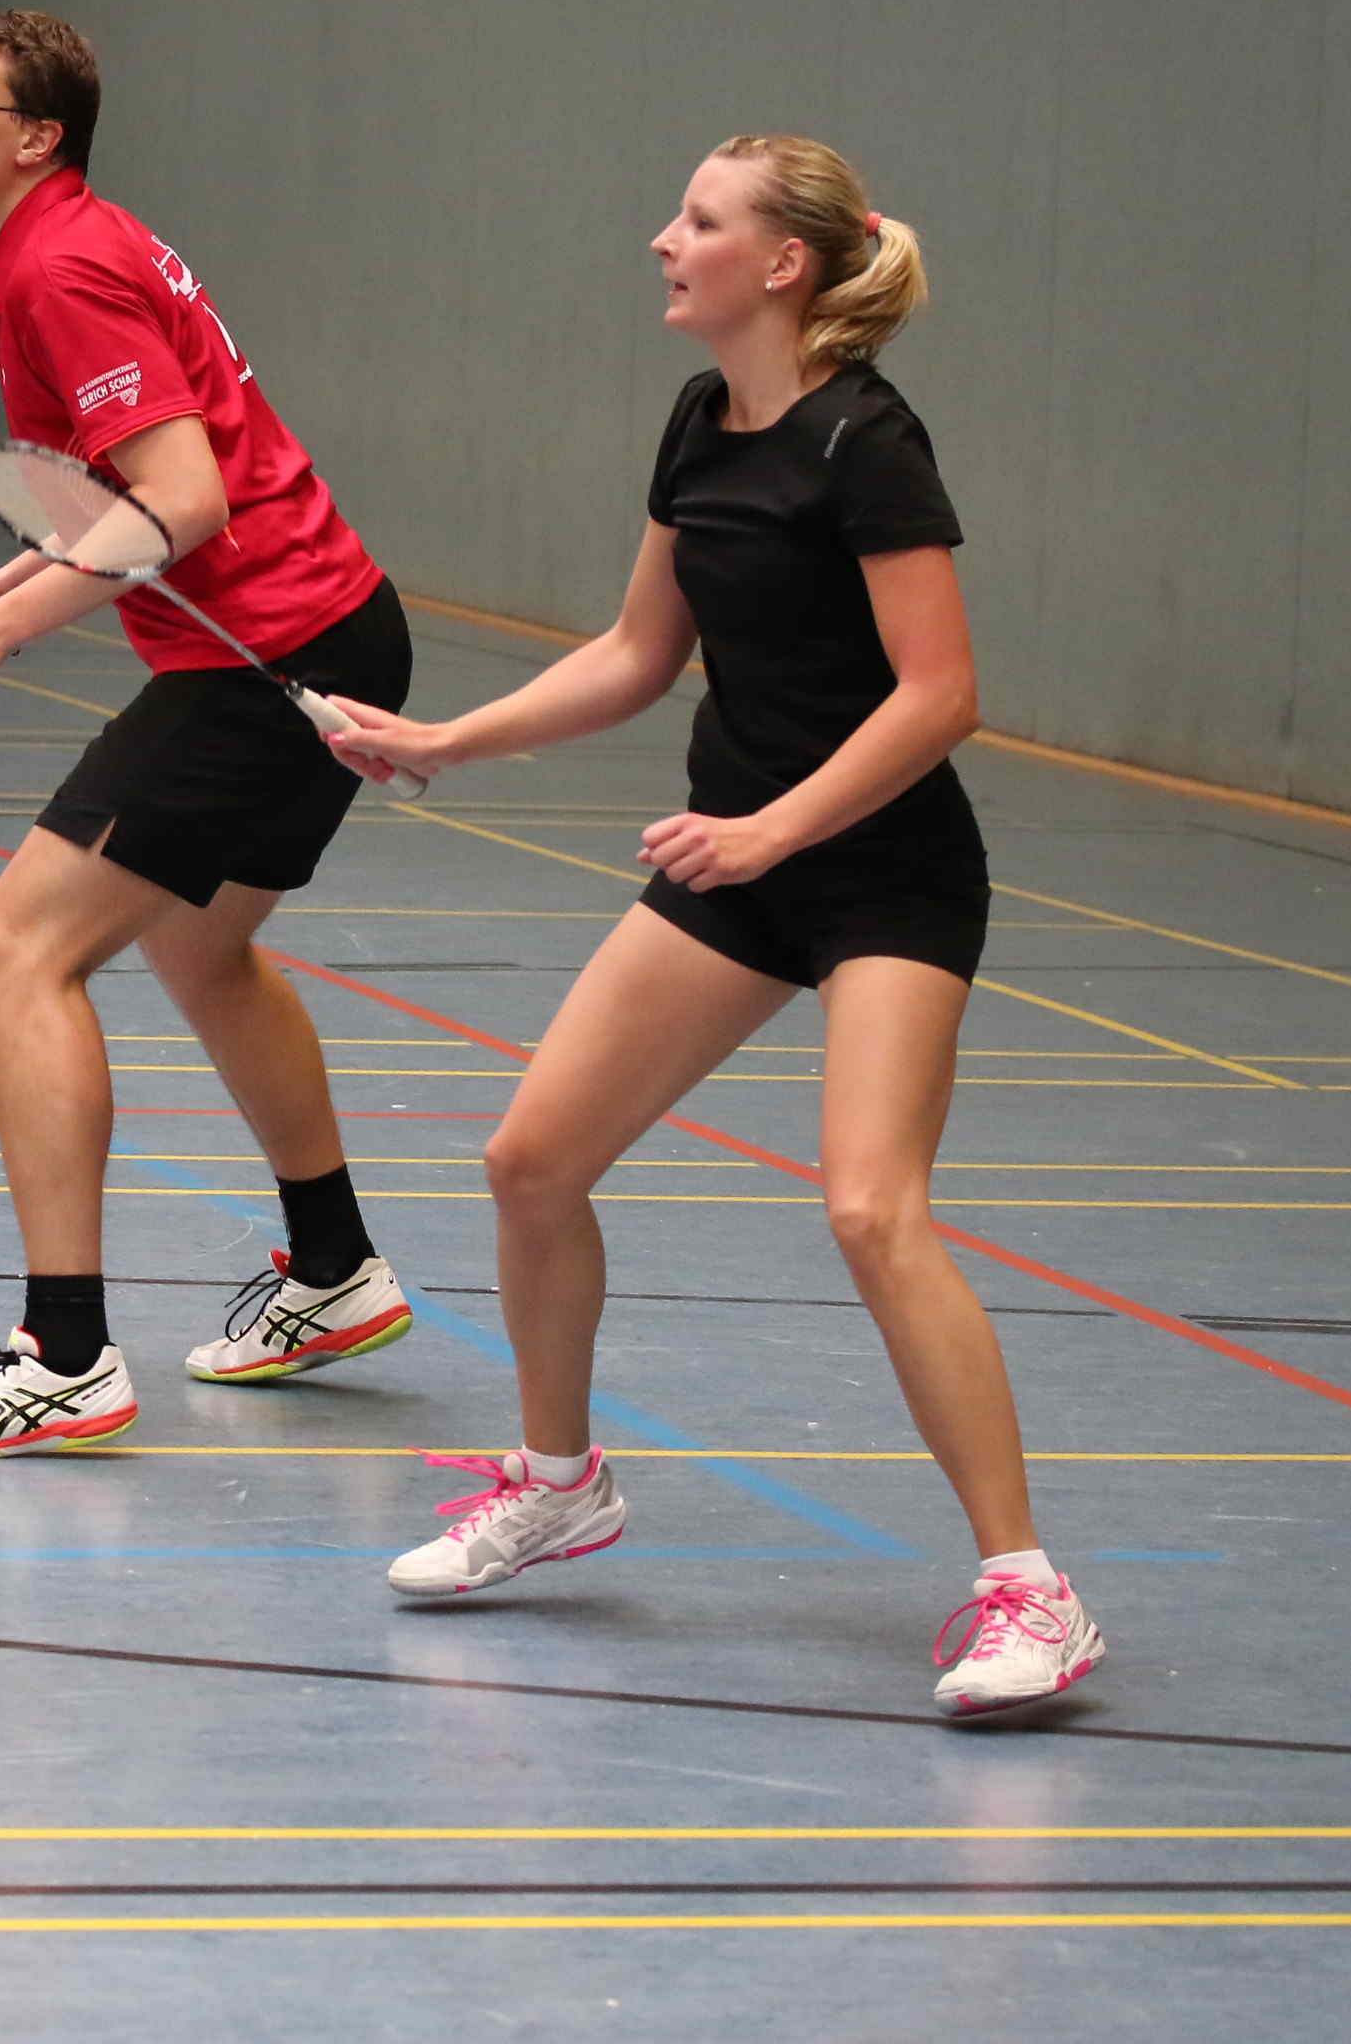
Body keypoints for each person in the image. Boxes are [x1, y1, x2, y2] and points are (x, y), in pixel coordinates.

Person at [317, 135, 1104, 1716]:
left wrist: (772, 829)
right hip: (735, 865)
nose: (663, 239)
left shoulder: (867, 442)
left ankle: (1032, 1591)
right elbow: (635, 652)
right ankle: (559, 1486)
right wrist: (446, 741)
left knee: (873, 1211)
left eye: (698, 220)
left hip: (881, 875)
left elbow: (942, 695)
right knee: (532, 1163)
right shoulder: (699, 420)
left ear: (783, 263)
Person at [0, 8, 417, 1458]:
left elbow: (184, 499)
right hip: (334, 624)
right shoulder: (55, 250)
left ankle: (63, 1357)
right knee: (199, 946)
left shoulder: (59, 268)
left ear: (35, 137)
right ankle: (334, 1268)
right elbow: (134, 491)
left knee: (14, 959)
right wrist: (5, 579)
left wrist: (8, 628)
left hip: (265, 658)